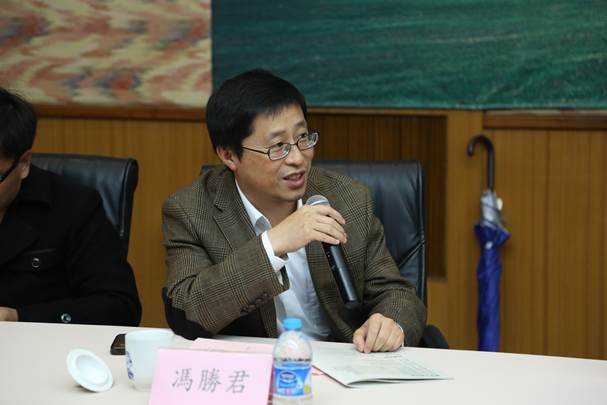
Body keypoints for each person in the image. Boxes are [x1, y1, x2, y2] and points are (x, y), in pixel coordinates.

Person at [162, 69, 426, 352]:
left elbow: (397, 293)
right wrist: (271, 246)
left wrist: (390, 323)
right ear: (228, 155)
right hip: (253, 365)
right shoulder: (191, 211)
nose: (298, 158)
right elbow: (188, 310)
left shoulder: (348, 198)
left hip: (342, 361)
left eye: (303, 138)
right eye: (278, 147)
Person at [0, 88, 141, 326]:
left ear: (23, 164)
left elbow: (120, 306)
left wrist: (19, 317)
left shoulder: (74, 206)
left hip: (44, 344)